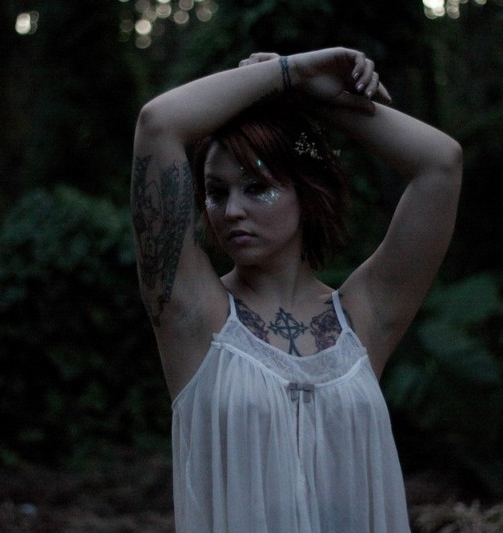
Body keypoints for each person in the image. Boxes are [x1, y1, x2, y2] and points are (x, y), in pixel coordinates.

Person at [130, 47, 462, 532]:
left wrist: (314, 98)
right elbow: (158, 123)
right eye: (217, 192)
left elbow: (441, 163)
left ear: (306, 193)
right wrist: (291, 72)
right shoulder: (193, 315)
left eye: (257, 186)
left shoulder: (364, 316)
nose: (231, 211)